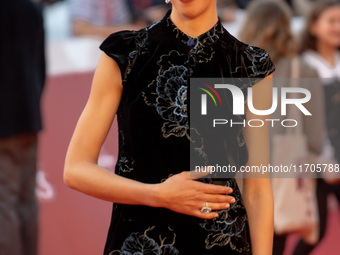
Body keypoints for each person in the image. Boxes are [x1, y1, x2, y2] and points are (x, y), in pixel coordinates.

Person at [64, 0, 275, 254]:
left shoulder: (251, 64)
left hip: (222, 244)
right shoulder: (125, 53)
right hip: (140, 242)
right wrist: (157, 194)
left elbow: (257, 189)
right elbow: (76, 169)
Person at [239, 1, 326, 254]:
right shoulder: (304, 70)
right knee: (279, 240)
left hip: (239, 174)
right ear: (287, 28)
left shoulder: (231, 65)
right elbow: (315, 138)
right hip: (285, 171)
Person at [0, 0, 45, 255]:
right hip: (29, 117)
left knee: (3, 202)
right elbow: (41, 67)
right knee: (26, 202)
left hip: (4, 126)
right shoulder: (31, 8)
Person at [296, 0, 340, 253]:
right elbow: (309, 122)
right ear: (313, 26)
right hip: (319, 163)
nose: (338, 27)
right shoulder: (305, 66)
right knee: (315, 231)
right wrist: (326, 162)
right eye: (331, 21)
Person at [69, 0, 140, 38]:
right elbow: (79, 30)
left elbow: (125, 24)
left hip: (112, 46)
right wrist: (118, 31)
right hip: (87, 50)